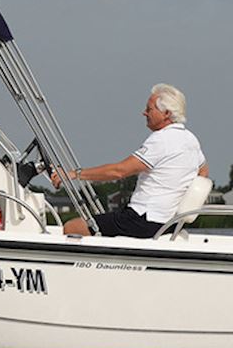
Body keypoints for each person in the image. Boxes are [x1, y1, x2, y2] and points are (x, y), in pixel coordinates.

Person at [53, 83, 207, 238]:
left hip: (142, 220)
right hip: (168, 223)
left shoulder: (161, 139)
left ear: (166, 113)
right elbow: (203, 172)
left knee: (72, 227)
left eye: (149, 109)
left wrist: (73, 174)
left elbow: (119, 171)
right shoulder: (190, 140)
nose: (144, 113)